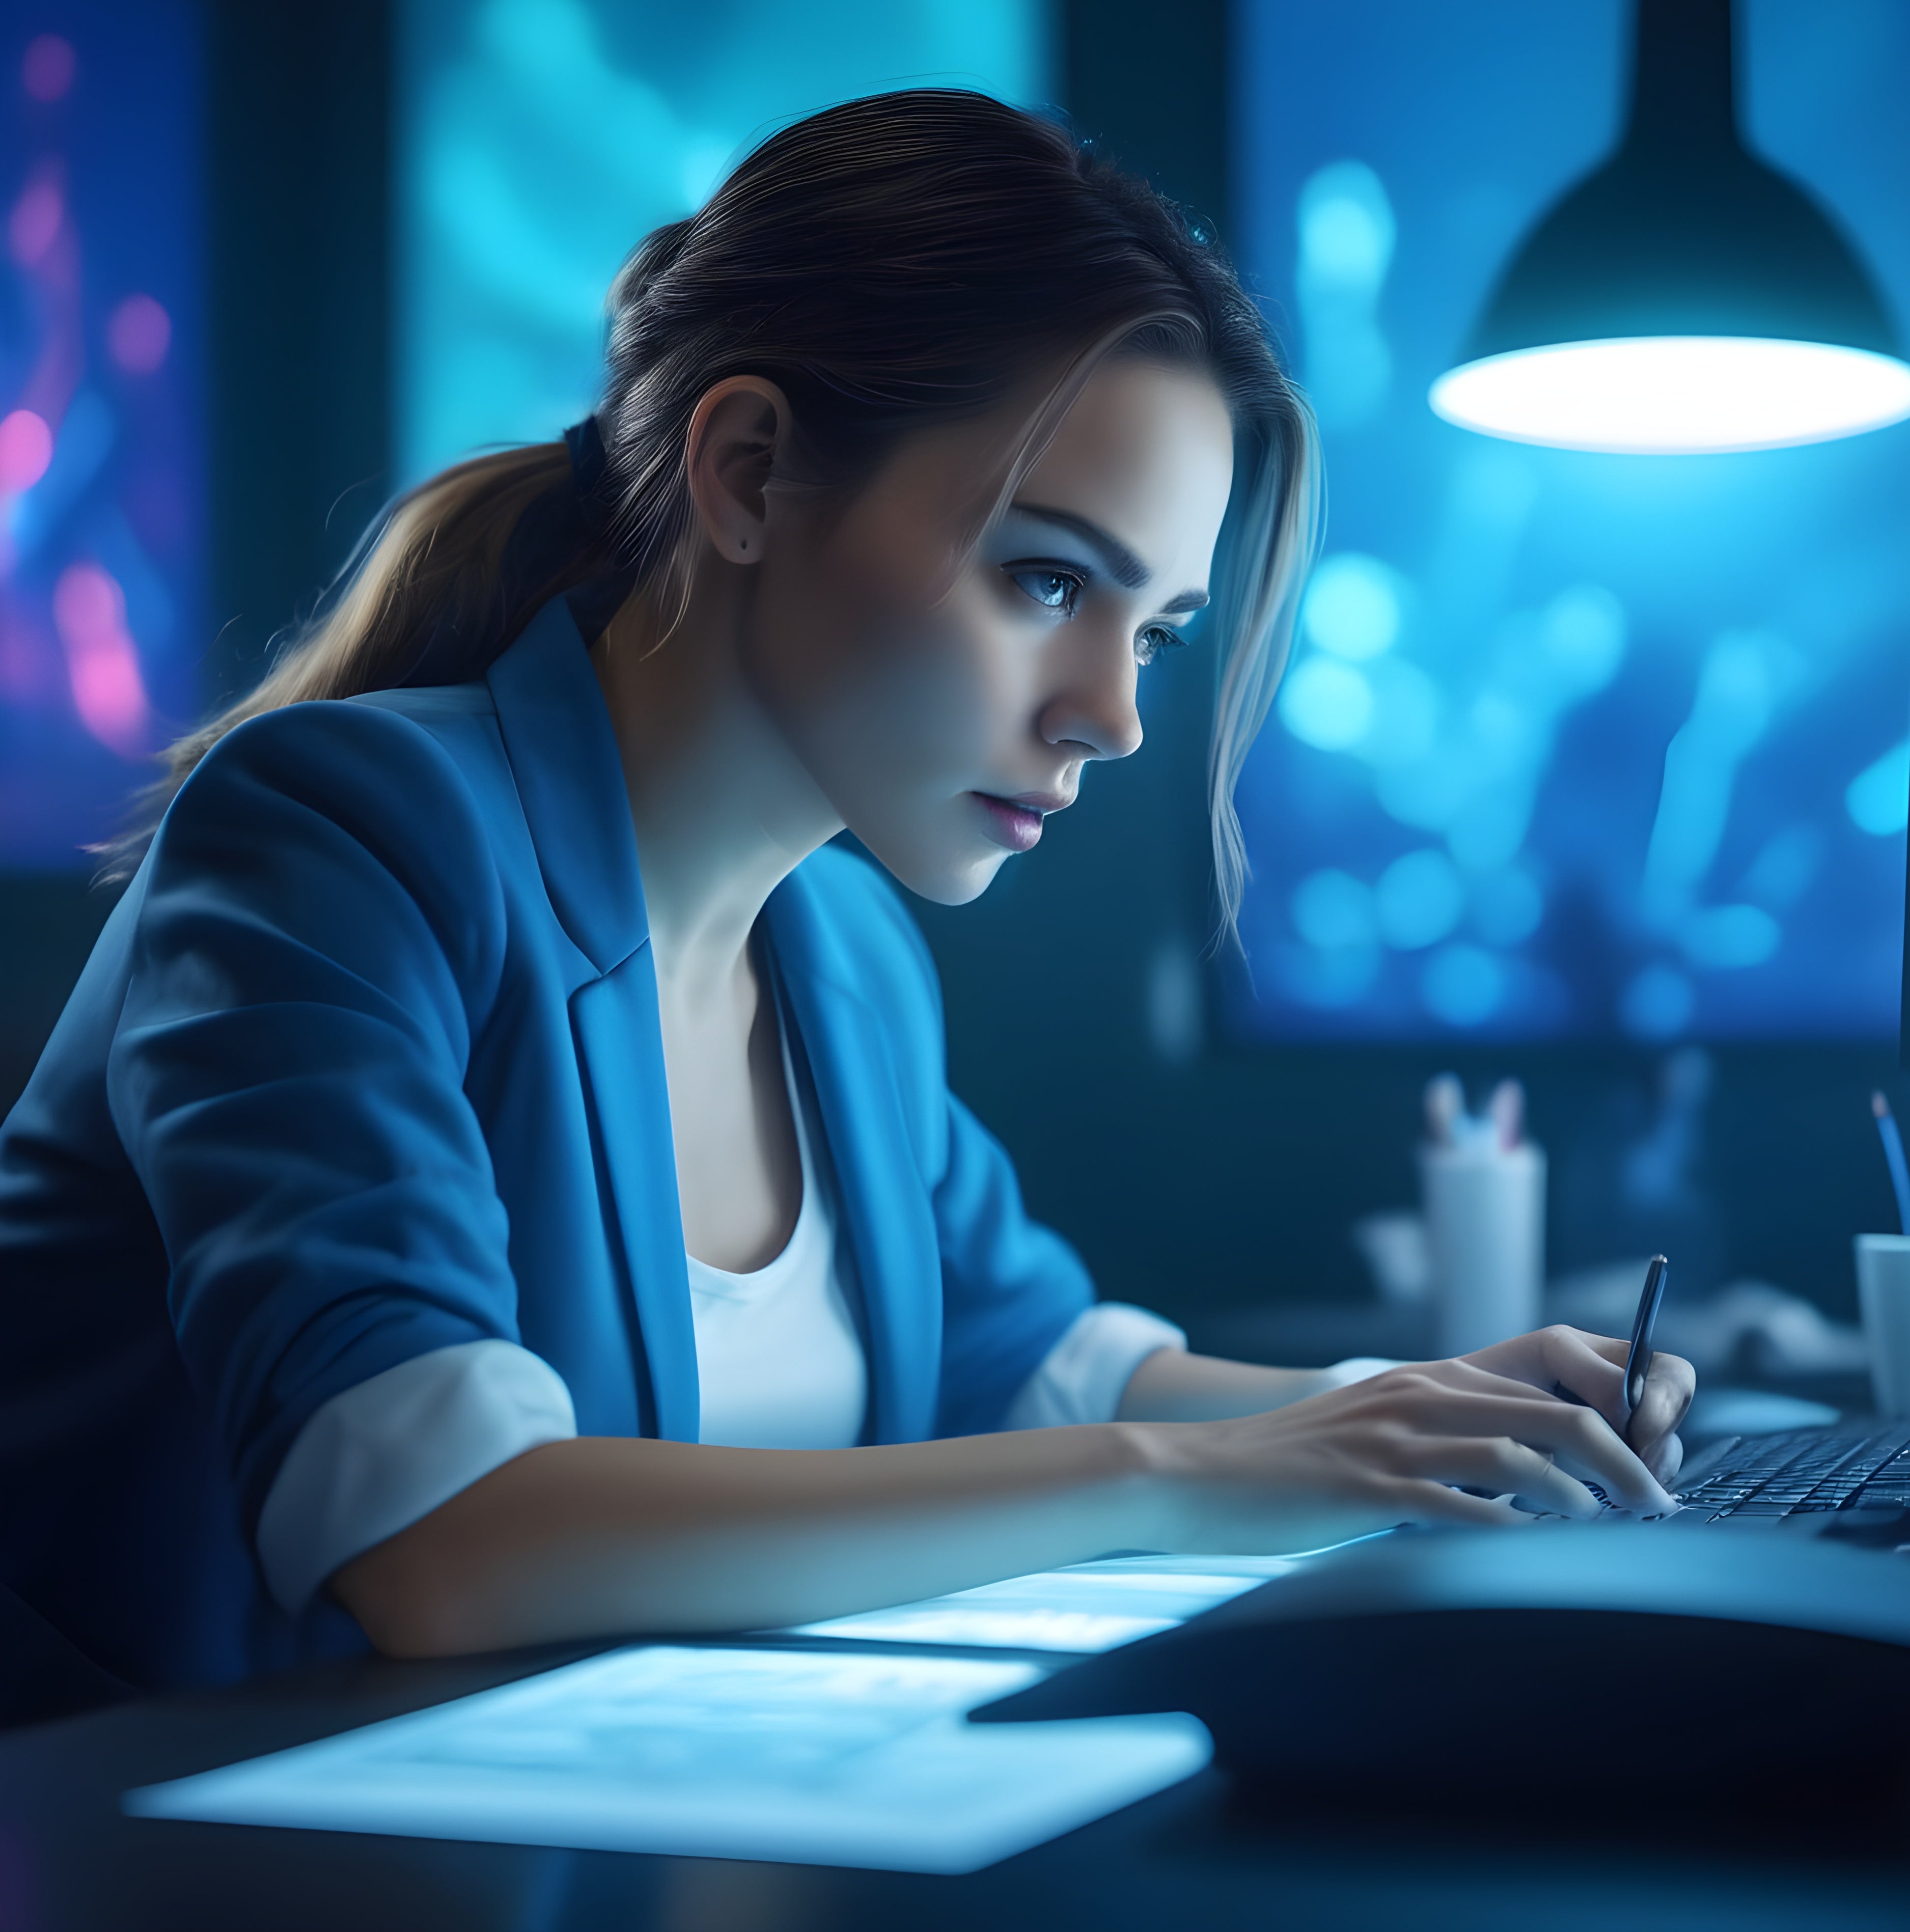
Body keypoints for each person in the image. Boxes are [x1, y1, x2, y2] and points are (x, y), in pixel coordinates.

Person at [0, 91, 1691, 1695]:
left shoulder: (844, 948)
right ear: (746, 473)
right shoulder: (345, 835)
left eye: (1156, 631)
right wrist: (1194, 1475)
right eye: (1047, 579)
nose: (1111, 715)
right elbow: (446, 1540)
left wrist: (1425, 1411)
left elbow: (1032, 1359)